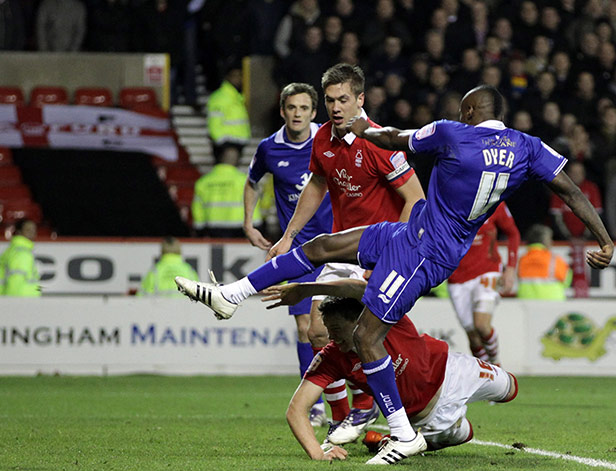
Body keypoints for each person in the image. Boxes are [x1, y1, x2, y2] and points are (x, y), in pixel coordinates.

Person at [175, 85, 613, 464]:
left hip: (426, 250)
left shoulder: (451, 133)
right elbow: (570, 189)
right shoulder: (528, 147)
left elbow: (396, 139)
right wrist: (605, 239)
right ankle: (230, 296)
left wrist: (363, 128)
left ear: (469, 113)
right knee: (321, 246)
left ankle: (403, 433)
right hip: (414, 232)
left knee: (367, 337)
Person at [265, 64, 425, 443]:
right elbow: (317, 185)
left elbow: (415, 198)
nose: (336, 107)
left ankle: (376, 399)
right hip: (342, 247)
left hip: (383, 252)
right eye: (331, 100)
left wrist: (393, 255)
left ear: (360, 100)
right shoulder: (322, 138)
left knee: (374, 337)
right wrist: (289, 235)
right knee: (319, 329)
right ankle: (346, 413)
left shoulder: (379, 140)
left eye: (344, 100)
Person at [271, 287, 517, 461]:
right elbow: (296, 409)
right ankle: (390, 439)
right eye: (328, 331)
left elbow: (362, 288)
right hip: (427, 417)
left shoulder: (384, 319)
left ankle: (385, 440)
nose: (331, 337)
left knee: (510, 389)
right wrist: (318, 454)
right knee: (465, 433)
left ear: (357, 321)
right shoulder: (332, 357)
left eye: (336, 329)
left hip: (455, 372)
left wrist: (309, 288)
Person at [243, 82, 333, 427]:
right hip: (298, 251)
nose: (297, 114)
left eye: (304, 108)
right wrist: (249, 224)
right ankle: (315, 403)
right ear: (283, 111)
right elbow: (252, 182)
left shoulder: (327, 140)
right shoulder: (269, 148)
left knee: (342, 327)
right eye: (291, 108)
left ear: (313, 113)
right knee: (305, 326)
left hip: (338, 244)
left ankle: (359, 399)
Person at [447, 201, 520, 365]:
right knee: (473, 336)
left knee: (481, 324)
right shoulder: (448, 202)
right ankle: (488, 375)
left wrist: (510, 268)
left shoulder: (494, 201)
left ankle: (496, 364)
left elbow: (512, 233)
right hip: (457, 278)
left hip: (488, 270)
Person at [192, 144, 260, 238]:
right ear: (237, 160)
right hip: (239, 230)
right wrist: (256, 226)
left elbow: (198, 209)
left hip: (212, 229)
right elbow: (253, 206)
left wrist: (199, 229)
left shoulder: (203, 182)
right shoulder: (245, 181)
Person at [206, 60, 250, 160]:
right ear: (227, 77)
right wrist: (220, 142)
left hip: (238, 142)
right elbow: (214, 122)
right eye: (235, 75)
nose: (238, 79)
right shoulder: (220, 97)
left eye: (240, 75)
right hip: (226, 143)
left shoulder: (238, 96)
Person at [550, 160, 603, 240]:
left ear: (584, 174)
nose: (576, 175)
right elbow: (556, 218)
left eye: (579, 173)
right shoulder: (559, 188)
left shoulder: (592, 188)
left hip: (588, 240)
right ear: (568, 173)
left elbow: (597, 215)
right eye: (573, 172)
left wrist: (585, 237)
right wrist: (568, 237)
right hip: (564, 240)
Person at [516, 224, 571, 300]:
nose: (552, 242)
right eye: (550, 239)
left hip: (526, 303)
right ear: (545, 241)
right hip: (552, 303)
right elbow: (566, 281)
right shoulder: (555, 260)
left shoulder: (521, 260)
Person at [0, 219, 40, 297]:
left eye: (34, 229)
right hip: (21, 302)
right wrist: (13, 304)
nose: (32, 232)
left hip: (12, 300)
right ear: (19, 232)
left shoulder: (12, 250)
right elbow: (16, 280)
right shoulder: (21, 253)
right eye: (28, 230)